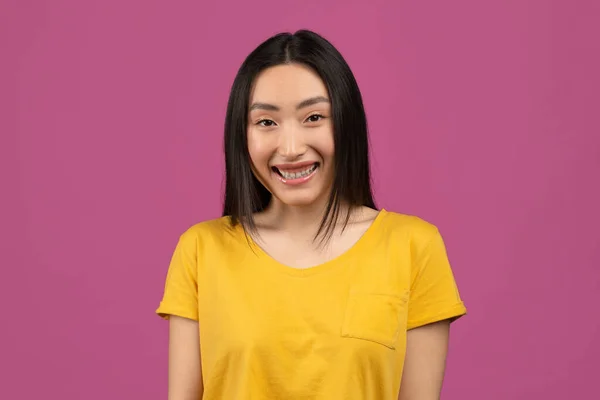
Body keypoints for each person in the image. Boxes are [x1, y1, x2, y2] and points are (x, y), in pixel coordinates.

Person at [156, 29, 467, 400]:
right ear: (242, 136)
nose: (290, 148)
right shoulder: (201, 250)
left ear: (347, 123)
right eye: (266, 122)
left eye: (314, 117)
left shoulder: (414, 246)